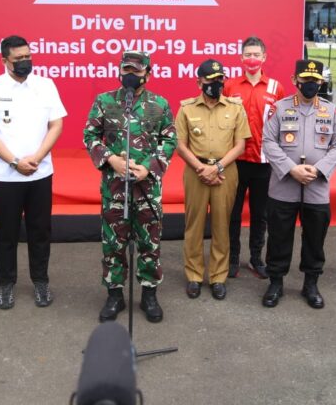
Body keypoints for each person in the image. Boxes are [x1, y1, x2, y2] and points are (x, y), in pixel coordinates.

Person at [83, 51, 177, 323]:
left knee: (149, 242)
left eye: (136, 72)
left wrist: (148, 167)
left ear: (148, 74)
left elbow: (169, 140)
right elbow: (89, 135)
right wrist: (111, 159)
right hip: (114, 188)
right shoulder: (104, 101)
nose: (129, 76)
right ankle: (114, 294)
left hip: (147, 189)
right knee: (113, 242)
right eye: (126, 70)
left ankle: (149, 294)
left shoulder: (159, 104)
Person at [0, 35, 66, 310]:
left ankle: (40, 281)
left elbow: (56, 125)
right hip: (5, 176)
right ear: (4, 60)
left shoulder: (45, 85)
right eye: (19, 59)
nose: (26, 62)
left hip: (40, 173)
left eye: (28, 56)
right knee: (6, 234)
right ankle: (6, 285)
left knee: (40, 231)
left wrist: (36, 158)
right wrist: (15, 162)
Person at [260, 59, 336, 308]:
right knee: (279, 236)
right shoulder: (280, 108)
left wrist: (319, 170)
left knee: (315, 238)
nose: (310, 84)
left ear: (321, 82)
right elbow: (268, 141)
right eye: (305, 80)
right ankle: (275, 282)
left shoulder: (331, 111)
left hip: (317, 188)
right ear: (294, 80)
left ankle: (311, 283)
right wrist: (291, 169)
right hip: (283, 185)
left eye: (315, 80)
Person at [175, 59, 250, 301]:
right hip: (195, 171)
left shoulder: (235, 108)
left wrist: (216, 167)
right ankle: (195, 276)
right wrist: (201, 168)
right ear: (199, 81)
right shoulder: (187, 108)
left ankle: (218, 276)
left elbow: (240, 145)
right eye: (210, 80)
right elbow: (180, 145)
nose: (216, 84)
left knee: (221, 225)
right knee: (194, 225)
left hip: (225, 171)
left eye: (220, 80)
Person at [223, 37, 284, 279]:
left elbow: (282, 123)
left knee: (261, 214)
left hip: (264, 162)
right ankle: (233, 258)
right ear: (240, 57)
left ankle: (256, 258)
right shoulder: (229, 86)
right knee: (232, 213)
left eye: (256, 54)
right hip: (235, 161)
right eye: (248, 54)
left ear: (264, 57)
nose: (252, 59)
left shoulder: (275, 88)